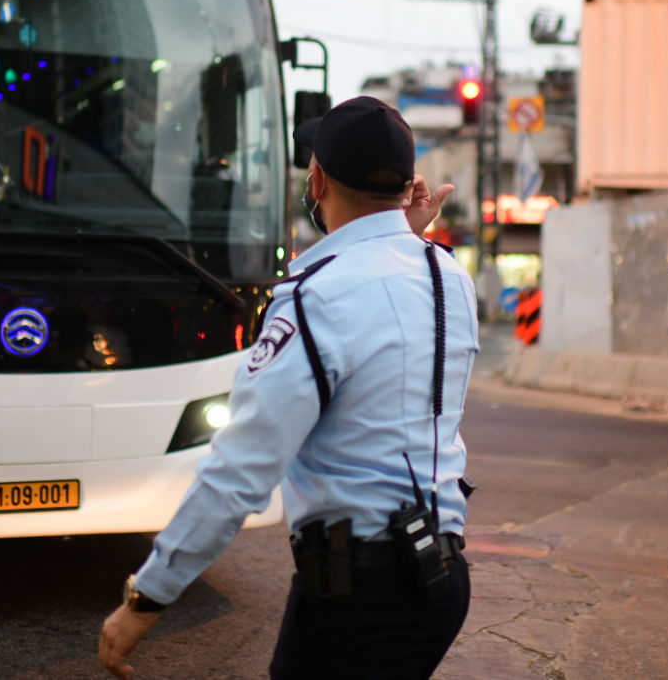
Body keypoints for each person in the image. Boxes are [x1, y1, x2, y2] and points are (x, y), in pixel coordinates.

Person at [98, 96, 480, 679]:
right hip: (441, 579)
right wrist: (396, 236)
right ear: (406, 187)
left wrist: (146, 597)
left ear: (318, 179)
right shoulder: (448, 275)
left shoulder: (315, 299)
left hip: (359, 599)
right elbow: (389, 307)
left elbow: (239, 472)